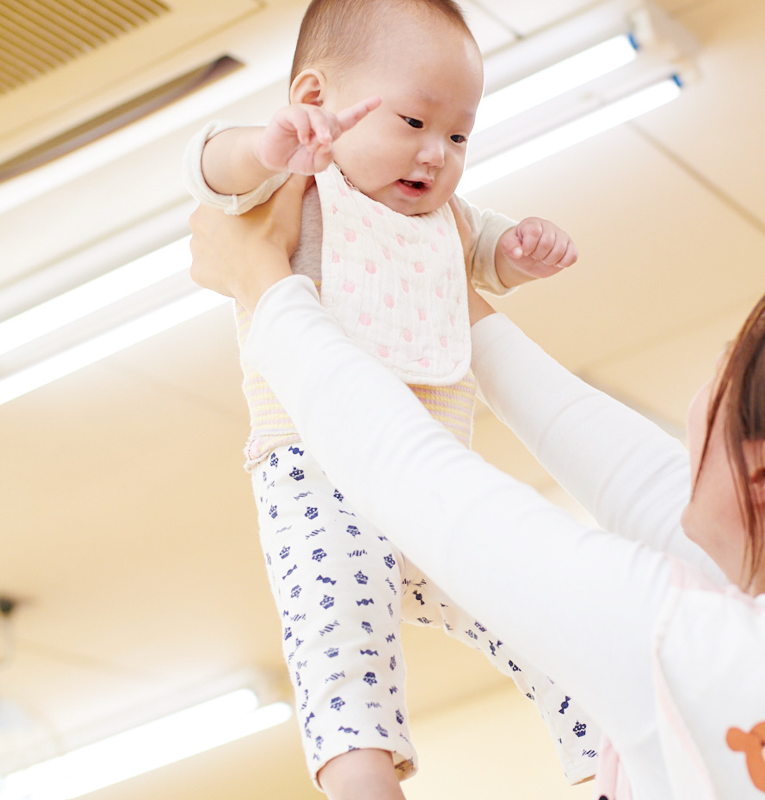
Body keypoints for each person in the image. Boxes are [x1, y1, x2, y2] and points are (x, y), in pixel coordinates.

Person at [188, 175, 765, 800]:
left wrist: (263, 290)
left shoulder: (699, 652)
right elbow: (634, 475)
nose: (687, 414)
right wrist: (446, 302)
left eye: (714, 386)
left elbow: (423, 485)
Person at [180, 1, 588, 797]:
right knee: (343, 647)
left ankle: (610, 752)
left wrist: (518, 248)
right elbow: (210, 171)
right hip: (316, 470)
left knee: (542, 618)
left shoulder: (447, 219)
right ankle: (365, 784)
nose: (436, 154)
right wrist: (267, 145)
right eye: (413, 121)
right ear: (315, 99)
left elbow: (488, 254)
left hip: (433, 483)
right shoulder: (297, 184)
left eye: (460, 136)